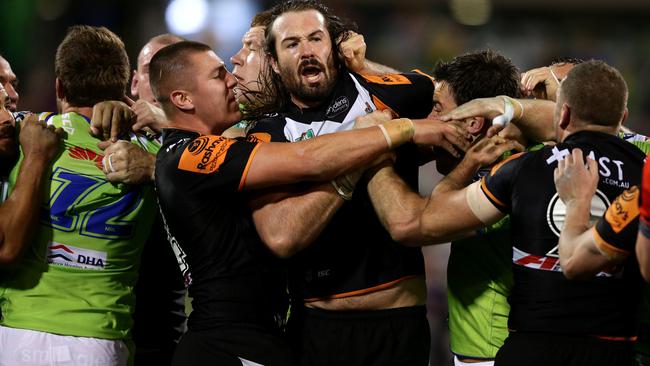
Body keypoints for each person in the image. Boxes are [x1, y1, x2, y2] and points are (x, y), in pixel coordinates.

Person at [149, 40, 466, 366]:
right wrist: (401, 129)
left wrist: (364, 69)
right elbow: (305, 158)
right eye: (218, 76)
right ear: (183, 99)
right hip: (229, 343)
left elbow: (436, 94)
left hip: (254, 336)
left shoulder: (192, 152)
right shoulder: (191, 155)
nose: (232, 79)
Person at [246, 1, 452, 364]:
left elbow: (447, 102)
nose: (307, 51)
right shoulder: (268, 133)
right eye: (292, 44)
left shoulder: (382, 94)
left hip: (398, 324)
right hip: (319, 327)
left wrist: (364, 66)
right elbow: (282, 237)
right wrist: (369, 147)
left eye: (316, 38)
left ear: (335, 46)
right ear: (275, 64)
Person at [419, 60, 642, 365]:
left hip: (521, 345)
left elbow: (424, 222)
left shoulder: (521, 167)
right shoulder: (643, 171)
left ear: (562, 114)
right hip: (616, 349)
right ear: (624, 117)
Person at [0, 25, 159, 365]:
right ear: (124, 84)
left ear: (59, 86)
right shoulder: (155, 155)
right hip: (102, 339)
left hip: (19, 332)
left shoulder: (24, 133)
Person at [0, 84, 62, 266]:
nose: (7, 118)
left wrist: (107, 106)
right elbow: (5, 250)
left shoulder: (13, 131)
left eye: (7, 106)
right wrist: (36, 156)